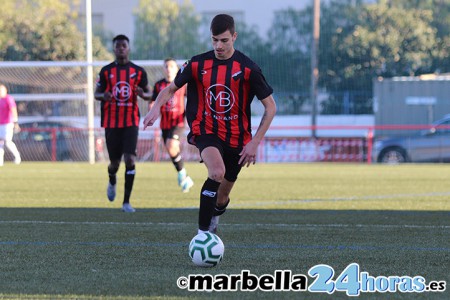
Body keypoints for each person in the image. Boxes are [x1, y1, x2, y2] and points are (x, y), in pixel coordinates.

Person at [143, 14, 277, 233]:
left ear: (234, 37)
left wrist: (254, 142)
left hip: (237, 138)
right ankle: (203, 235)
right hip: (206, 131)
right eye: (215, 40)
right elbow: (169, 89)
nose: (218, 45)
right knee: (216, 172)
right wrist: (156, 108)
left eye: (224, 40)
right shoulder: (197, 64)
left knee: (222, 196)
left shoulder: (249, 69)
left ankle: (213, 219)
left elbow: (271, 107)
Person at [94, 34, 151, 213]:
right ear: (114, 49)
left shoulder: (139, 71)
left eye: (123, 45)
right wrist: (104, 96)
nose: (120, 48)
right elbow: (97, 93)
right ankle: (112, 178)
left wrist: (143, 94)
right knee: (114, 163)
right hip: (111, 122)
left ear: (128, 48)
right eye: (117, 46)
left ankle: (126, 202)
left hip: (131, 121)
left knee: (130, 159)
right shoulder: (105, 71)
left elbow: (149, 93)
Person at [149, 58, 194, 193]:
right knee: (170, 149)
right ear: (163, 69)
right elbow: (153, 101)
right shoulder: (158, 85)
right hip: (165, 123)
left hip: (178, 121)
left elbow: (192, 99)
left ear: (176, 69)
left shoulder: (182, 84)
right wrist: (152, 109)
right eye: (166, 66)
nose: (168, 69)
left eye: (171, 66)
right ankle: (184, 175)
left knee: (171, 145)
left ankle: (182, 173)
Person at [0, 84, 21, 166]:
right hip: (0, 124)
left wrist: (15, 122)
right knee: (0, 142)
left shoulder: (9, 99)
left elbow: (13, 110)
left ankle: (17, 156)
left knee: (7, 142)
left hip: (7, 124)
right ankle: (0, 161)